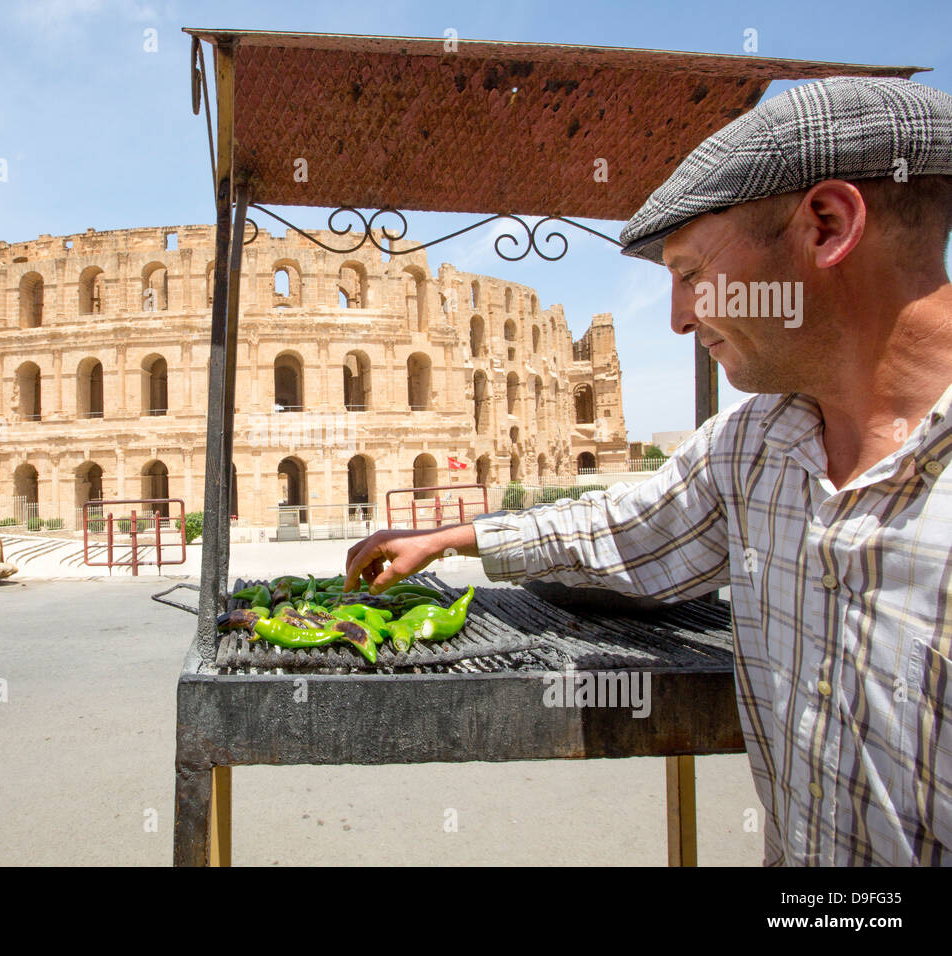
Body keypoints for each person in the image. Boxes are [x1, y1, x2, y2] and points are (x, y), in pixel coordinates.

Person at [344, 76, 952, 867]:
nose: (677, 317)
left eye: (692, 272)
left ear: (827, 225)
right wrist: (453, 537)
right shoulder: (755, 448)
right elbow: (625, 526)